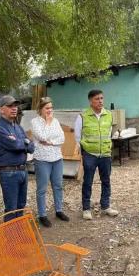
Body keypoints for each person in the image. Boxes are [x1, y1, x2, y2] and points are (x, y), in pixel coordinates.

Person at [74, 89, 119, 220]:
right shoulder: (82, 117)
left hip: (105, 154)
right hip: (90, 154)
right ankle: (86, 208)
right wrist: (83, 152)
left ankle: (106, 206)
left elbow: (109, 133)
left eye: (101, 98)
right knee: (88, 181)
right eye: (97, 99)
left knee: (106, 181)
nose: (100, 101)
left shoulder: (109, 115)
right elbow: (78, 137)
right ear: (90, 101)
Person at [0, 95, 35, 221]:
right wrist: (25, 142)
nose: (14, 108)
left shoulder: (17, 126)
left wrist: (24, 142)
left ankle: (18, 235)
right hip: (9, 173)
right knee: (11, 208)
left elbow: (32, 147)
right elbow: (15, 145)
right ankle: (10, 238)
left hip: (23, 170)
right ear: (2, 110)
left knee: (21, 206)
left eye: (15, 106)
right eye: (10, 106)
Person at [30, 97, 70, 227]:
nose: (50, 110)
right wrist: (47, 123)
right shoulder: (34, 122)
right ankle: (42, 215)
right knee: (42, 189)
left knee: (58, 186)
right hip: (42, 159)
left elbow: (62, 138)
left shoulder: (56, 121)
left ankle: (59, 210)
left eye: (51, 108)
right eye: (47, 108)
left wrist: (51, 142)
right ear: (40, 109)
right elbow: (41, 137)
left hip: (57, 158)